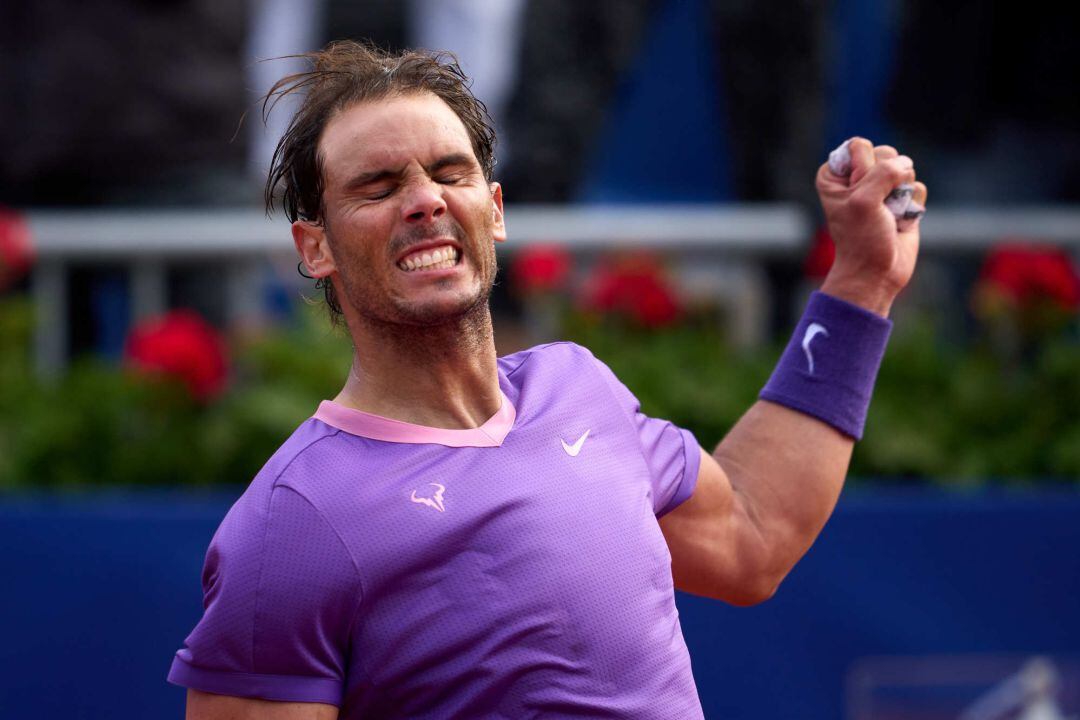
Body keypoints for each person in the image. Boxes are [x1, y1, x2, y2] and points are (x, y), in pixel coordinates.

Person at [167, 40, 927, 719]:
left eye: (449, 172)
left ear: (493, 211)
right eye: (378, 185)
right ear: (315, 246)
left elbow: (755, 535)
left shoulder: (579, 387)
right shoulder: (291, 524)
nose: (426, 199)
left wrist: (862, 285)